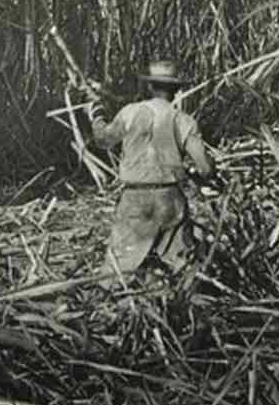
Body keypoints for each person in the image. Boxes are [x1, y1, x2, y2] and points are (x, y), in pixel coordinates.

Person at [87, 59, 215, 283]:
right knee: (182, 267)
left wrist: (96, 115)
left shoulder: (130, 112)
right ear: (176, 90)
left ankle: (113, 304)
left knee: (117, 269)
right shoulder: (183, 121)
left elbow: (103, 140)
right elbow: (205, 167)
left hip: (135, 200)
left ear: (149, 86)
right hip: (170, 199)